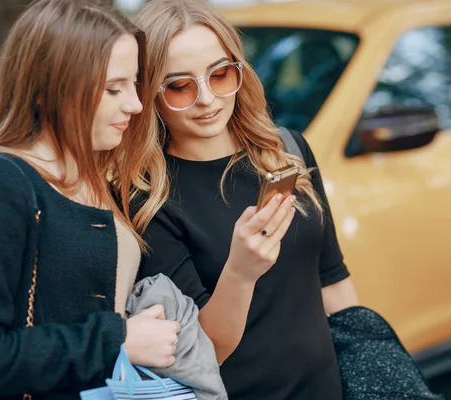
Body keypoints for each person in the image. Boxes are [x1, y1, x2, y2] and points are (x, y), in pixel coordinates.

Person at [0, 1, 180, 398]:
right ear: (54, 89)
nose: (136, 105)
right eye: (113, 88)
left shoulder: (101, 177)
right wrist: (115, 340)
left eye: (134, 84)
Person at [132, 0, 360, 398]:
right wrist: (240, 271)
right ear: (150, 94)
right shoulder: (148, 200)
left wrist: (363, 364)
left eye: (219, 75)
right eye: (180, 86)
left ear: (239, 71)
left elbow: (333, 280)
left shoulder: (287, 149)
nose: (206, 99)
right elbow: (201, 351)